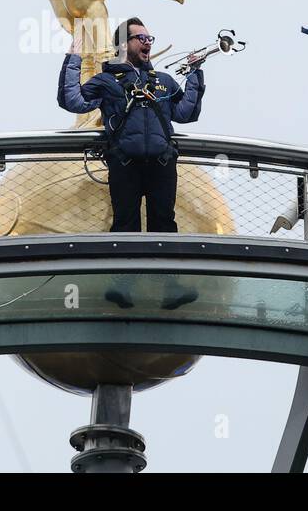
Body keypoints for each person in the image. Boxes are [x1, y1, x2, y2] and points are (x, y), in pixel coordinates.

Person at [58, 17, 207, 310]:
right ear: (123, 46)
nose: (147, 43)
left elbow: (186, 113)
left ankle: (169, 287)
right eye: (141, 38)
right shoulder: (107, 81)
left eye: (150, 38)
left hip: (161, 163)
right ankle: (122, 286)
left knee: (164, 224)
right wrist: (73, 59)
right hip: (124, 162)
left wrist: (194, 74)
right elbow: (71, 100)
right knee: (126, 224)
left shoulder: (162, 82)